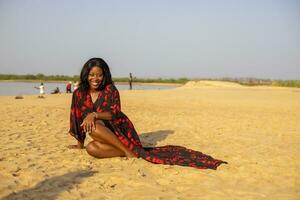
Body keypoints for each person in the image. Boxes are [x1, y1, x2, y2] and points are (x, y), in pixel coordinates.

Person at [68, 58, 227, 170]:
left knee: (93, 125)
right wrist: (79, 143)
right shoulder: (79, 94)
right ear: (86, 75)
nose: (95, 78)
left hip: (120, 131)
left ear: (105, 75)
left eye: (99, 75)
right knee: (91, 148)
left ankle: (129, 151)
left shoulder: (110, 90)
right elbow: (75, 117)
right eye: (92, 75)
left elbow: (113, 114)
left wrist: (94, 114)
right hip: (104, 137)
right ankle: (127, 151)